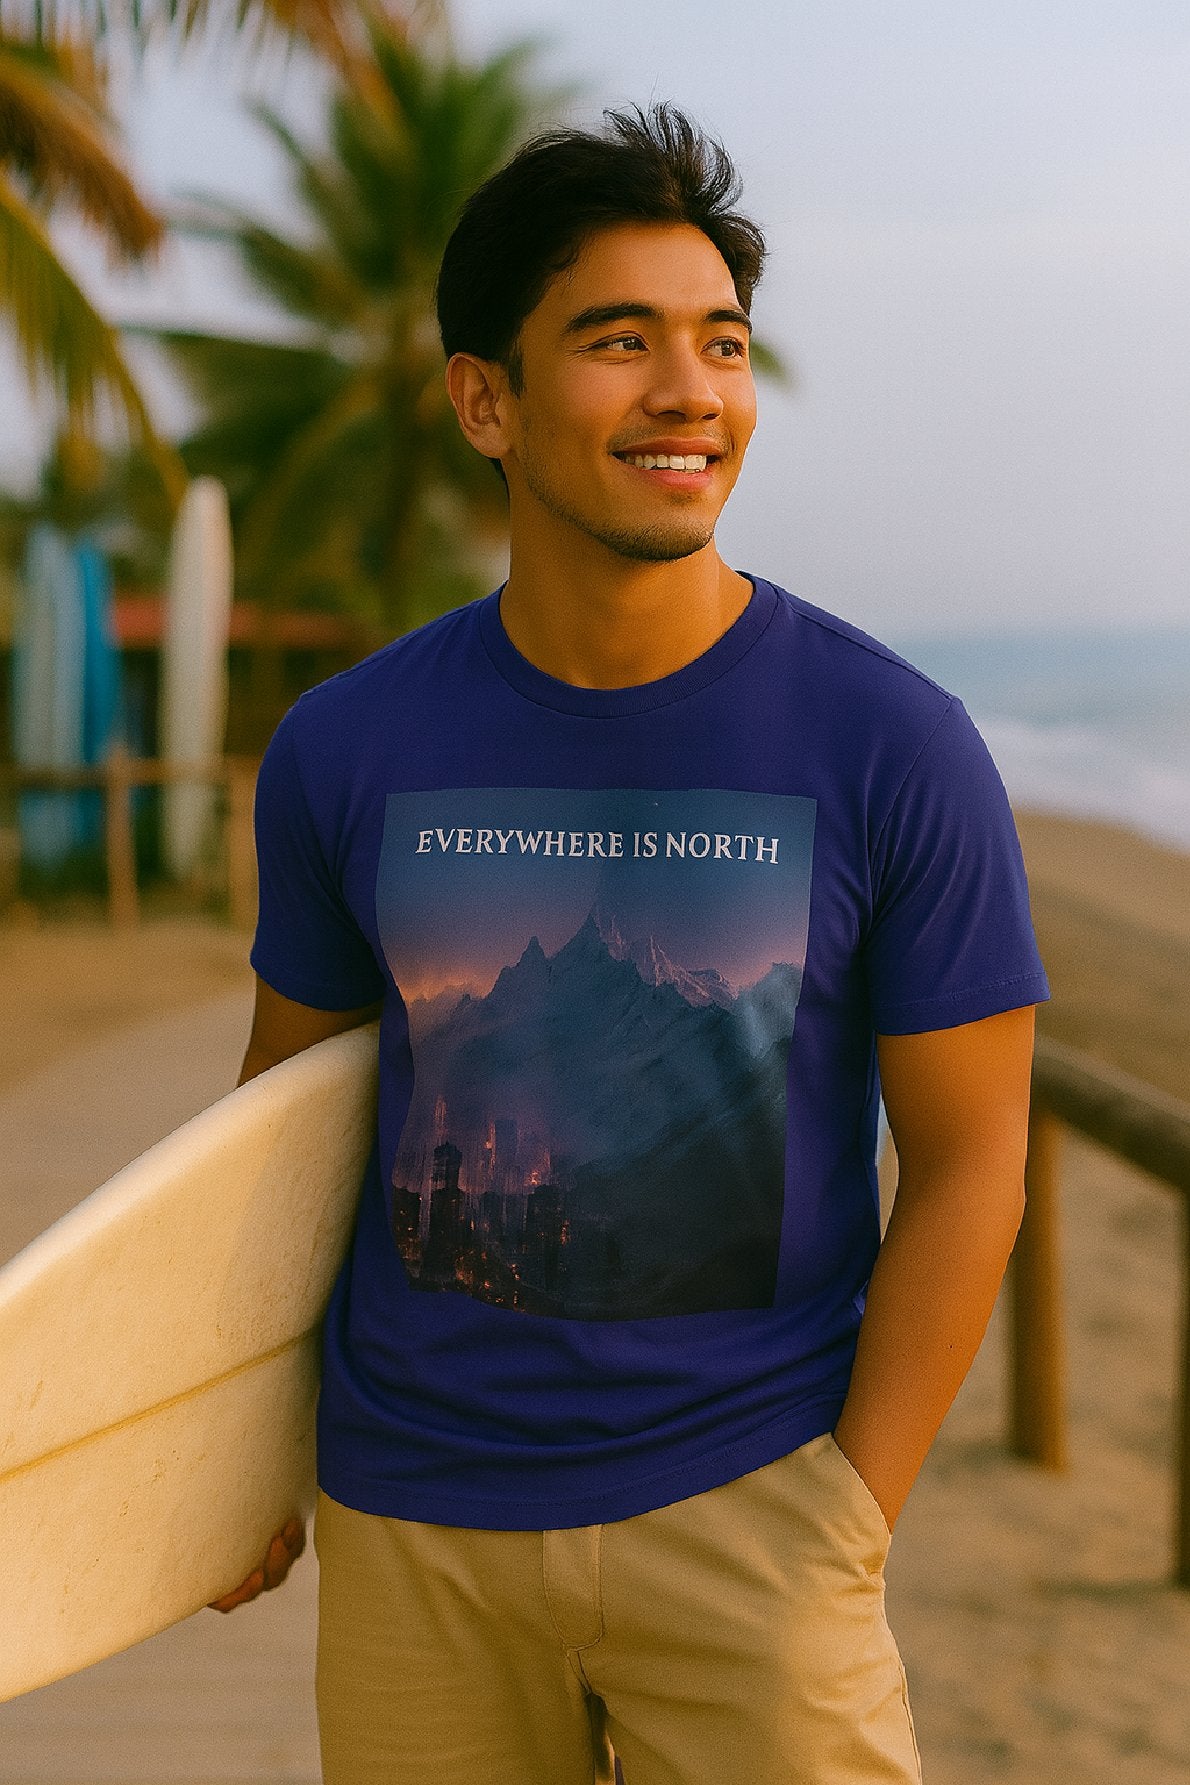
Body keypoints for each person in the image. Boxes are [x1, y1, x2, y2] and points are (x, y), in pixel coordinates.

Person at [217, 105, 1049, 1785]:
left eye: (720, 345)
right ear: (485, 400)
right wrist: (233, 1457)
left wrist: (844, 1512)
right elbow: (279, 1138)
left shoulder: (889, 743)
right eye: (618, 342)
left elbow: (972, 1163)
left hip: (752, 1513)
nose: (692, 393)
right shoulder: (347, 745)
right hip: (414, 1531)